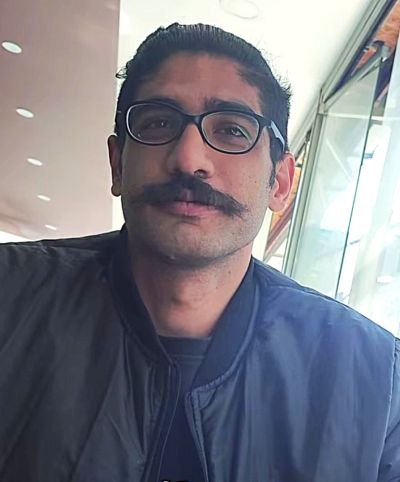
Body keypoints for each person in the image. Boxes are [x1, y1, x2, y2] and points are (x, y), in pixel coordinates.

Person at [0, 23, 399, 482]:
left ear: (280, 182)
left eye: (232, 130)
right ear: (117, 164)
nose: (189, 159)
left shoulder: (377, 383)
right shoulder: (11, 299)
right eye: (158, 123)